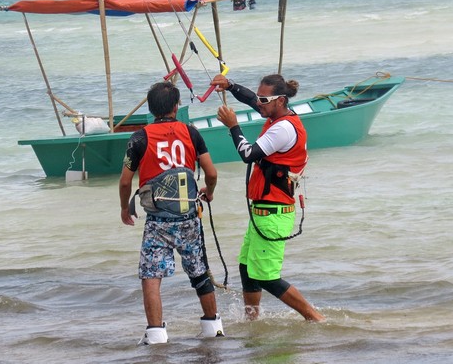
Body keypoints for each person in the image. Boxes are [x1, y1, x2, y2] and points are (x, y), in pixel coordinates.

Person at [211, 73, 325, 322]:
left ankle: (314, 317)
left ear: (281, 100)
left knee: (266, 276)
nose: (259, 103)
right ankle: (252, 320)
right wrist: (230, 86)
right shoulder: (276, 114)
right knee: (247, 268)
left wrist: (233, 126)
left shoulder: (283, 128)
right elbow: (252, 99)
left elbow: (248, 154)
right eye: (260, 98)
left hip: (274, 213)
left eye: (265, 99)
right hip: (263, 211)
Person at [119, 81, 225, 344]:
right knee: (199, 272)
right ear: (176, 106)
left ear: (151, 108)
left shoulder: (139, 138)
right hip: (188, 217)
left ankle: (156, 334)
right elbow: (211, 173)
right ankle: (213, 327)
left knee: (151, 276)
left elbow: (125, 181)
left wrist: (124, 207)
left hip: (157, 221)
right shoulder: (191, 132)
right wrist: (208, 192)